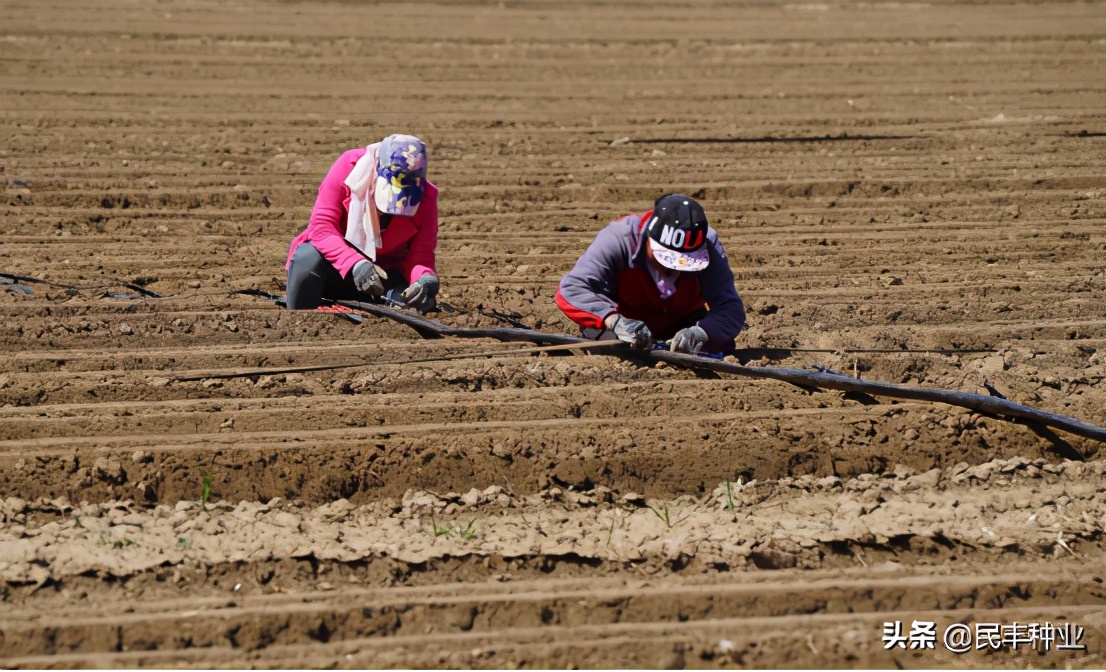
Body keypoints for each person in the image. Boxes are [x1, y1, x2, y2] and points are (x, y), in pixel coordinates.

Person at [555, 193, 746, 354]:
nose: (675, 268)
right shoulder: (619, 238)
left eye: (685, 262)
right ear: (648, 238)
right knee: (603, 344)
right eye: (667, 258)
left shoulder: (709, 245)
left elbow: (730, 308)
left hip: (684, 327)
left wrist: (702, 332)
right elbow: (571, 289)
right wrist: (613, 320)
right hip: (622, 327)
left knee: (717, 345)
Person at [285, 134, 440, 311]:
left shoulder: (426, 199)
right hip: (334, 268)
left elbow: (421, 257)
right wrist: (355, 264)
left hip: (383, 277)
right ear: (377, 171)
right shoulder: (349, 169)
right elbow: (321, 227)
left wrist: (425, 279)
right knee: (308, 257)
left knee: (420, 303)